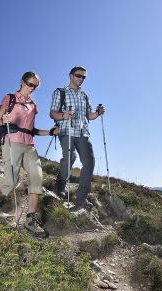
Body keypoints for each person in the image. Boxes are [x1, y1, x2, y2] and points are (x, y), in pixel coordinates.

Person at [0, 71, 58, 236]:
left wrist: (50, 132)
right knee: (11, 180)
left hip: (29, 144)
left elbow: (32, 130)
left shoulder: (33, 105)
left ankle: (30, 220)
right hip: (11, 141)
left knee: (37, 176)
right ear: (22, 81)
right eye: (30, 84)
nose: (32, 88)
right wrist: (4, 120)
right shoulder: (10, 98)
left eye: (35, 86)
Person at [51, 66, 105, 209]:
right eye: (78, 75)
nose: (81, 79)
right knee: (70, 158)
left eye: (83, 77)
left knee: (89, 162)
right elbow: (52, 113)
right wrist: (63, 115)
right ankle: (60, 187)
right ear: (70, 75)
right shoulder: (60, 92)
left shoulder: (84, 95)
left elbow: (89, 116)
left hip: (82, 133)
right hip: (66, 130)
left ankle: (81, 198)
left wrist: (98, 113)